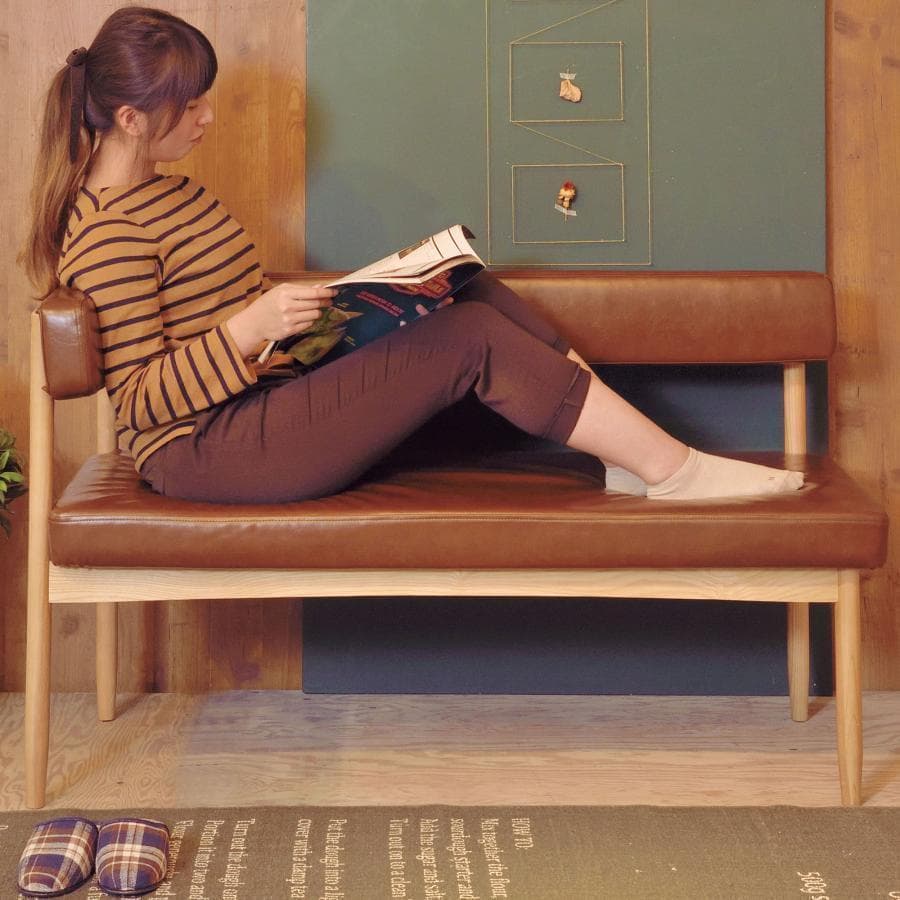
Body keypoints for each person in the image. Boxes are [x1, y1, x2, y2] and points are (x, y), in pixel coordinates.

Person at [22, 6, 803, 505]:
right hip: (205, 450)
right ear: (131, 118)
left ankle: (631, 456)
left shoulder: (175, 193)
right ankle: (673, 470)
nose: (208, 117)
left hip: (267, 395)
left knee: (468, 289)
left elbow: (229, 315)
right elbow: (138, 404)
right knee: (471, 339)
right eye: (190, 105)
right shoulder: (107, 233)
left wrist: (367, 300)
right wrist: (249, 327)